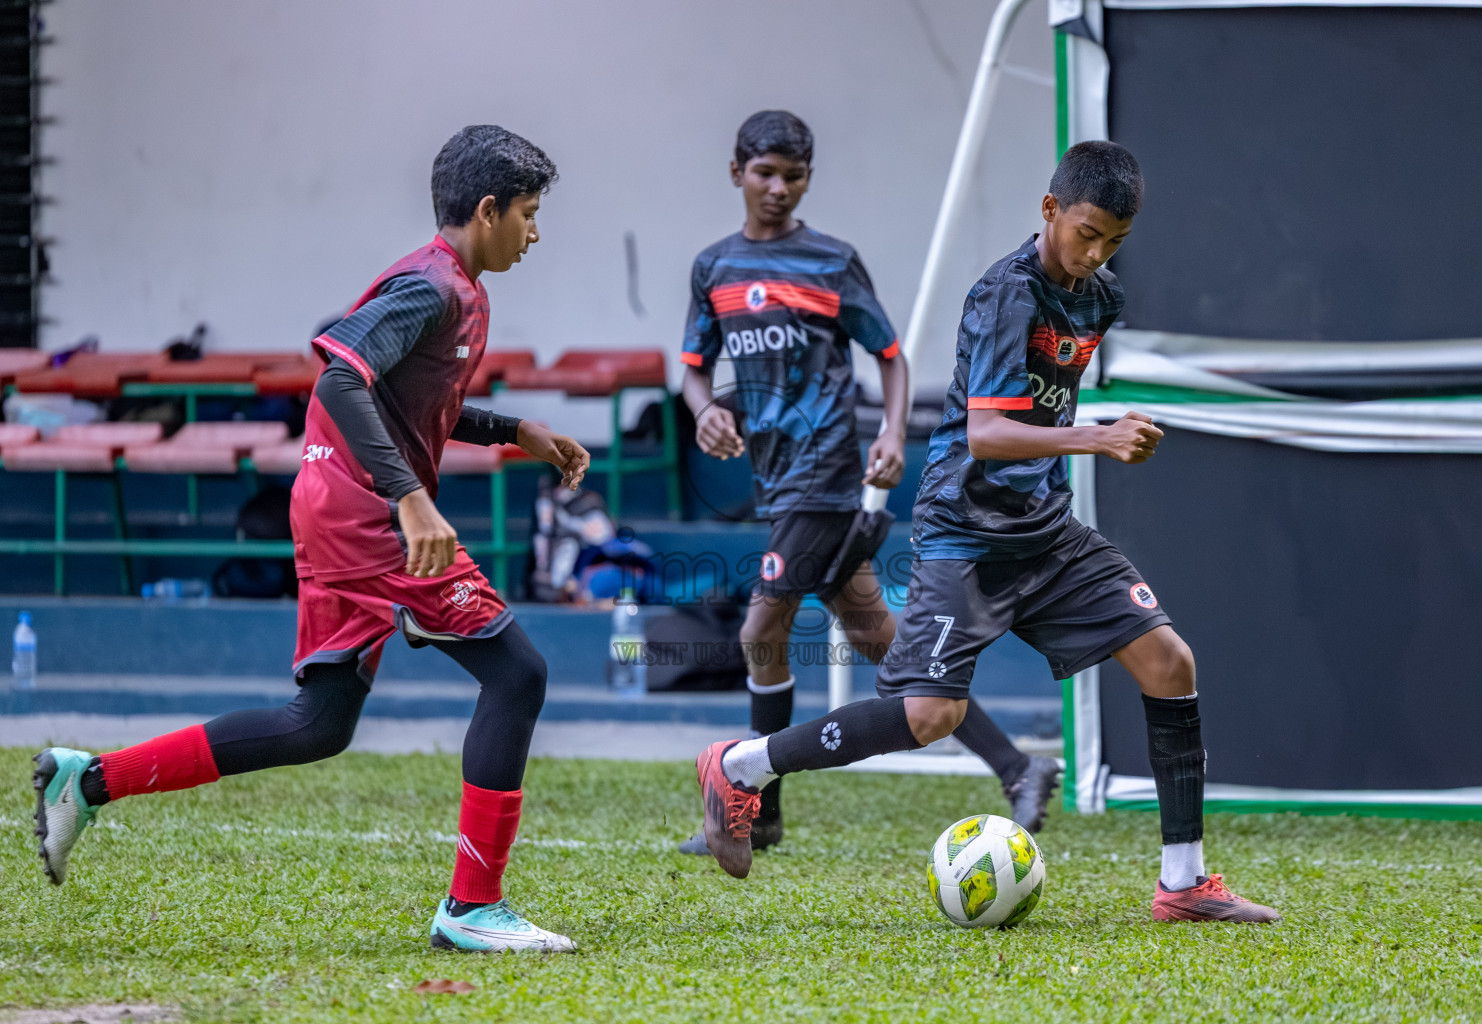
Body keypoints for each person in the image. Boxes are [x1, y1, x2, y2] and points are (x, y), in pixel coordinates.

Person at [31, 125, 592, 952]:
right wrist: (408, 499)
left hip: (337, 507)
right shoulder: (430, 286)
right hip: (363, 515)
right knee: (518, 673)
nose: (536, 233)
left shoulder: (462, 291)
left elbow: (410, 405)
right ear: (487, 209)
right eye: (531, 215)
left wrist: (516, 430)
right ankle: (473, 908)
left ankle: (88, 780)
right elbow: (340, 375)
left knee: (317, 723)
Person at [692, 140, 1279, 923]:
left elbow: (1046, 410)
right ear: (1049, 211)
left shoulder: (1100, 297)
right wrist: (1098, 436)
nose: (1097, 252)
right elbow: (992, 435)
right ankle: (742, 765)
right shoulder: (1005, 296)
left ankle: (1183, 884)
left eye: (1115, 242)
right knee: (929, 716)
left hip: (1046, 531)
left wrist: (1081, 438)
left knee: (1169, 661)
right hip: (965, 531)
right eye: (1087, 232)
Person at [676, 110, 1059, 857]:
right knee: (880, 639)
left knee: (761, 631)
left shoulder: (831, 261)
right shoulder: (713, 268)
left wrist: (889, 431)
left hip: (826, 473)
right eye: (765, 173)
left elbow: (887, 353)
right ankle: (1017, 767)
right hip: (775, 477)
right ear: (736, 174)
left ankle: (753, 802)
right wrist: (701, 414)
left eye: (794, 175)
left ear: (809, 179)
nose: (778, 188)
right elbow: (691, 367)